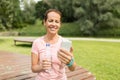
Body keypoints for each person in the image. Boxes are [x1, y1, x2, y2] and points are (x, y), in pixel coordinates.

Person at [31, 9, 76, 80]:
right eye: (50, 21)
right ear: (44, 22)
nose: (54, 24)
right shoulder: (37, 42)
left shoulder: (65, 42)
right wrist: (41, 67)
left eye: (57, 21)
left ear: (60, 24)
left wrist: (70, 62)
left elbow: (72, 68)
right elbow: (33, 68)